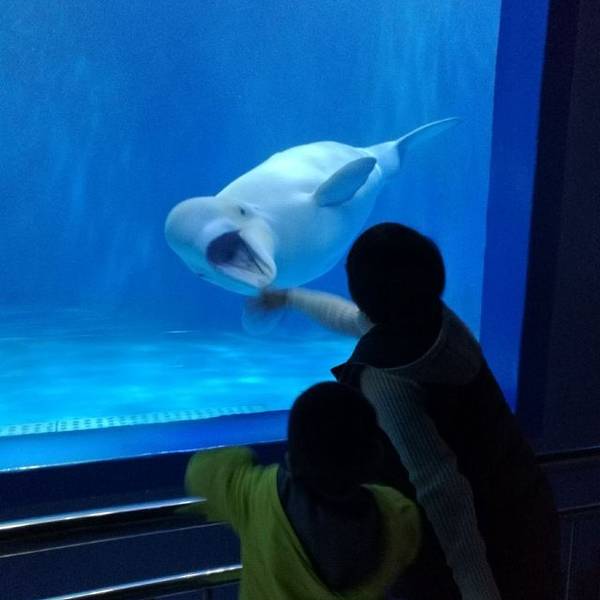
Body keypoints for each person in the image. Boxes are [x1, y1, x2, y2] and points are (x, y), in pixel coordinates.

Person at [250, 222, 561, 600]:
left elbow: (443, 493)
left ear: (361, 291)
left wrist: (481, 592)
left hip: (479, 560)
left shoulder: (387, 379)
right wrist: (290, 297)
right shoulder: (437, 322)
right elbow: (352, 320)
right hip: (526, 512)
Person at [184, 381, 421, 600]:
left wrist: (244, 457)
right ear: (374, 456)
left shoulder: (257, 495)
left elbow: (201, 470)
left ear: (292, 459)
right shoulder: (400, 515)